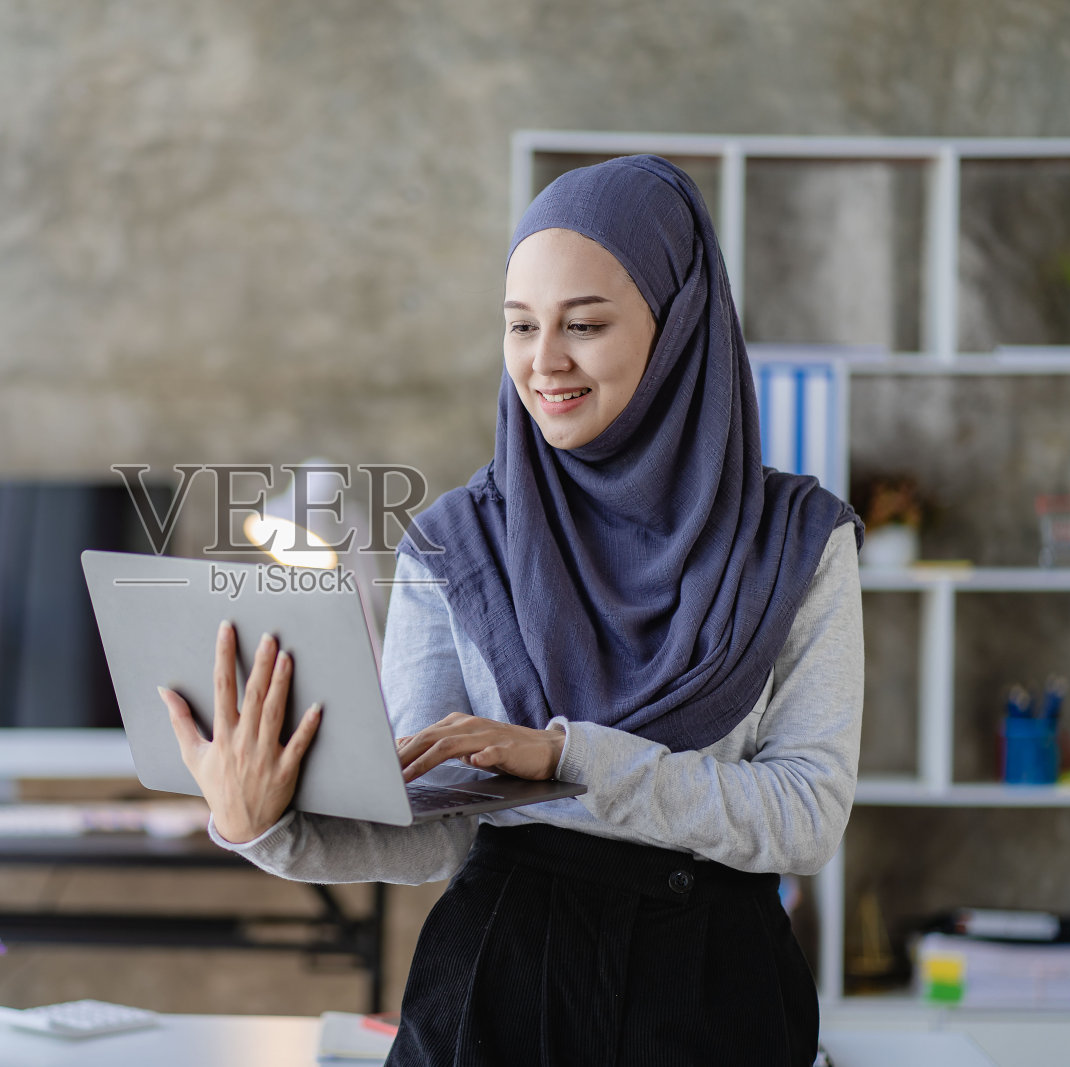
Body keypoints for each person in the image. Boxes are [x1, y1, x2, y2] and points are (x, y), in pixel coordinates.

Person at [157, 154, 864, 1066]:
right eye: (520, 325)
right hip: (495, 991)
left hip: (717, 999)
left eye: (586, 324)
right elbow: (427, 825)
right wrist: (263, 825)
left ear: (679, 325)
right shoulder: (455, 544)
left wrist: (572, 757)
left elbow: (806, 818)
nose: (544, 361)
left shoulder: (800, 541)